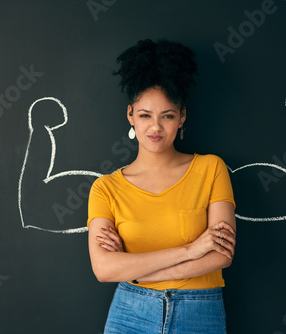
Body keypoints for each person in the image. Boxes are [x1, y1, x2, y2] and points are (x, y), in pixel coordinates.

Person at [87, 39, 237, 334]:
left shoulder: (211, 169)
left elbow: (222, 254)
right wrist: (192, 250)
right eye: (145, 115)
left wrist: (136, 269)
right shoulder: (105, 188)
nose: (155, 127)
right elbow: (104, 269)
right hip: (129, 312)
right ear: (130, 115)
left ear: (182, 117)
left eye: (167, 116)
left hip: (199, 311)